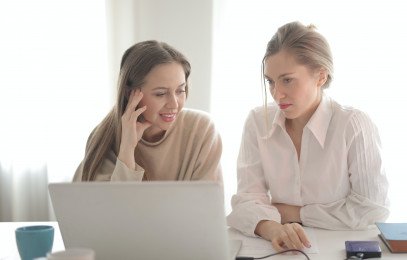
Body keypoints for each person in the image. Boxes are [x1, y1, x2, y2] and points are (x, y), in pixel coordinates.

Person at [227, 22, 389, 252]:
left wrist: (295, 213)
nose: (276, 93)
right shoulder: (257, 121)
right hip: (280, 250)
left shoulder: (353, 124)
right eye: (271, 81)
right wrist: (273, 228)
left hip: (343, 250)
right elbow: (245, 201)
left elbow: (372, 208)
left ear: (321, 76)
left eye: (287, 80)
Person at [73, 40, 222, 182]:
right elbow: (111, 206)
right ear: (129, 93)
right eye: (160, 94)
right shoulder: (103, 138)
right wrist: (127, 149)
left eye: (180, 90)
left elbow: (208, 203)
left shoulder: (202, 129)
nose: (174, 104)